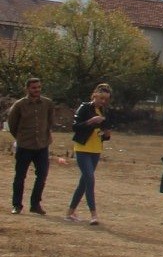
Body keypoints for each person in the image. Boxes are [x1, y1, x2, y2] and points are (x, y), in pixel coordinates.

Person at [63, 84, 112, 225]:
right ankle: (94, 214)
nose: (103, 101)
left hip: (96, 149)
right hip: (82, 148)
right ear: (94, 95)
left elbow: (105, 132)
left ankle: (70, 212)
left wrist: (107, 134)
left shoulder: (103, 111)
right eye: (101, 98)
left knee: (84, 182)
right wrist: (91, 121)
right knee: (90, 179)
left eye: (106, 99)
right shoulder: (85, 108)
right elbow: (75, 127)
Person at [7, 77, 53, 216]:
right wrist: (21, 138)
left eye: (39, 87)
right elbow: (12, 124)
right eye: (34, 88)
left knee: (42, 175)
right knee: (20, 176)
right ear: (27, 89)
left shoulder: (47, 103)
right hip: (25, 146)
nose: (37, 90)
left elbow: (49, 121)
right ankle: (17, 205)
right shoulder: (20, 105)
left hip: (42, 146)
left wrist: (44, 137)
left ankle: (35, 204)